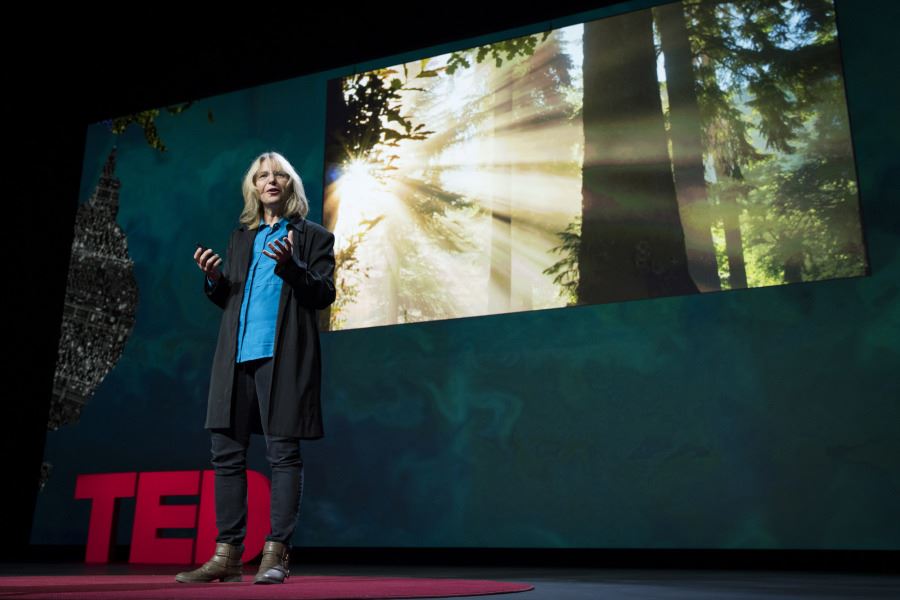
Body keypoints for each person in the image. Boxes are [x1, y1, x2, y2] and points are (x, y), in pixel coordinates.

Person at [176, 151, 336, 584]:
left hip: (283, 356)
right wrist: (213, 279)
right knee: (226, 453)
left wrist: (292, 266)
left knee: (283, 454)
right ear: (253, 186)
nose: (270, 181)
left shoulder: (314, 237)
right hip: (235, 355)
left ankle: (276, 555)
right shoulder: (241, 238)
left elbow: (323, 294)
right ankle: (227, 556)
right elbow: (230, 296)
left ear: (291, 185)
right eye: (262, 175)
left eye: (279, 175)